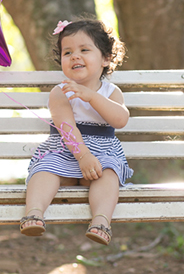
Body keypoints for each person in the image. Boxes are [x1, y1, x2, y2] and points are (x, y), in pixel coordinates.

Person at [20, 18, 130, 245]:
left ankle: (101, 221)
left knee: (109, 175)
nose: (75, 56)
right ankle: (34, 213)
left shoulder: (111, 92)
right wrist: (82, 156)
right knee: (44, 170)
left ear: (106, 58)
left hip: (101, 157)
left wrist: (92, 97)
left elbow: (120, 120)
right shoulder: (60, 93)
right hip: (66, 152)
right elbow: (66, 129)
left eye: (84, 50)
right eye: (67, 52)